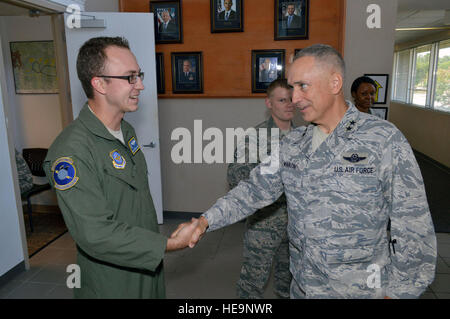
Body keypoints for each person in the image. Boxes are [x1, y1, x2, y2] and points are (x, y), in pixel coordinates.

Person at [176, 44, 437, 299]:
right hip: (303, 286)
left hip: (358, 290)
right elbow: (252, 190)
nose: (295, 98)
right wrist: (204, 221)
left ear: (335, 84)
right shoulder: (293, 143)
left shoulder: (382, 139)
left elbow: (413, 223)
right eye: (292, 88)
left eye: (303, 86)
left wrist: (400, 292)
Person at [43, 36, 198, 299]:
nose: (140, 85)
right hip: (112, 278)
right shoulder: (71, 152)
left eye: (139, 75)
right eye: (130, 78)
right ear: (99, 83)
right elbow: (95, 234)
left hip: (146, 265)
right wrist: (169, 244)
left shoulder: (125, 130)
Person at [228, 79, 294, 299]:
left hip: (296, 224)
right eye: (282, 100)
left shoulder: (304, 137)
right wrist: (272, 178)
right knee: (252, 284)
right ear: (269, 103)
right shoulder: (255, 138)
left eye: (292, 99)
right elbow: (235, 175)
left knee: (290, 282)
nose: (288, 104)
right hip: (264, 223)